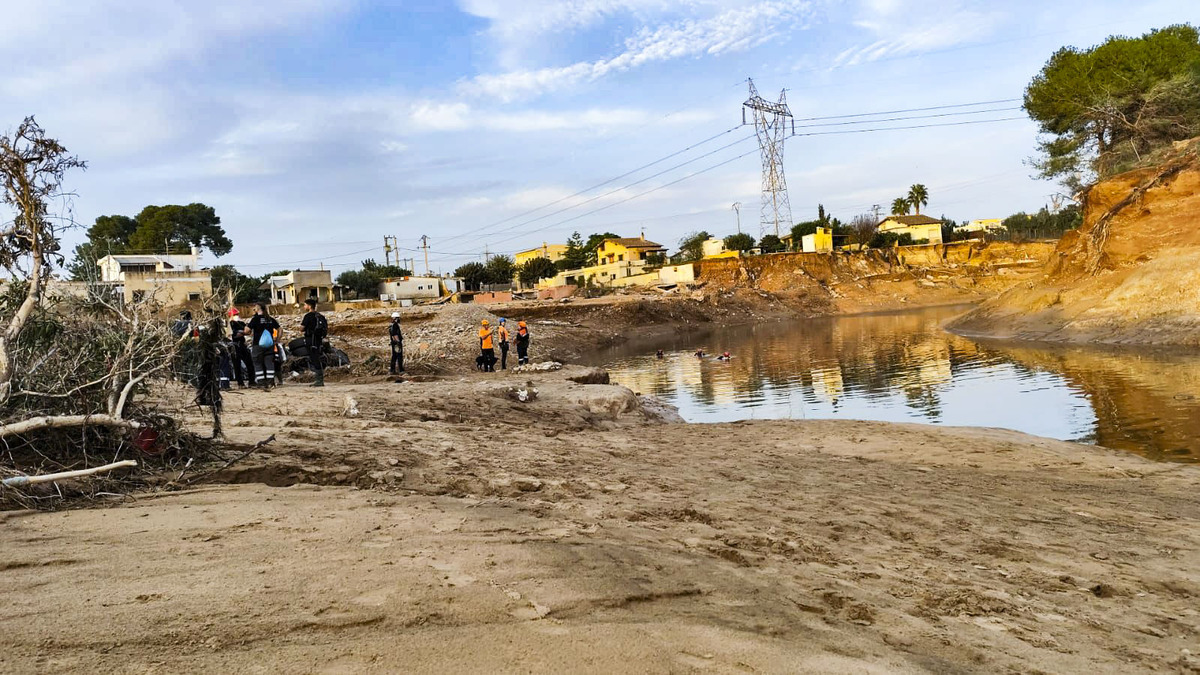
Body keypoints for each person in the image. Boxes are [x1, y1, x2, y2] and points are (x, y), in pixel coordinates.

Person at [247, 303, 280, 389]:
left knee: (257, 363)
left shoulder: (255, 319)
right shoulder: (270, 319)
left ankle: (261, 382)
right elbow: (280, 329)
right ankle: (270, 382)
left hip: (258, 344)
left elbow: (247, 330)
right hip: (270, 344)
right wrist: (277, 340)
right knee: (269, 363)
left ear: (257, 308)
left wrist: (246, 331)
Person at [301, 298, 328, 387]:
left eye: (305, 305)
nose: (304, 307)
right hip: (318, 340)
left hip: (310, 340)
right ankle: (319, 379)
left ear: (309, 306)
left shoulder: (308, 316)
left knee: (314, 358)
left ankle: (319, 381)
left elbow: (302, 328)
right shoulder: (320, 316)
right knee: (317, 357)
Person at [227, 307, 254, 388]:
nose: (237, 316)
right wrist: (242, 332)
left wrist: (242, 332)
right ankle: (240, 383)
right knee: (237, 365)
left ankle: (251, 382)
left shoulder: (240, 323)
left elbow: (248, 332)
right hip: (234, 346)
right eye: (235, 314)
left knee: (249, 363)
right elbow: (235, 334)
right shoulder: (230, 324)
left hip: (241, 344)